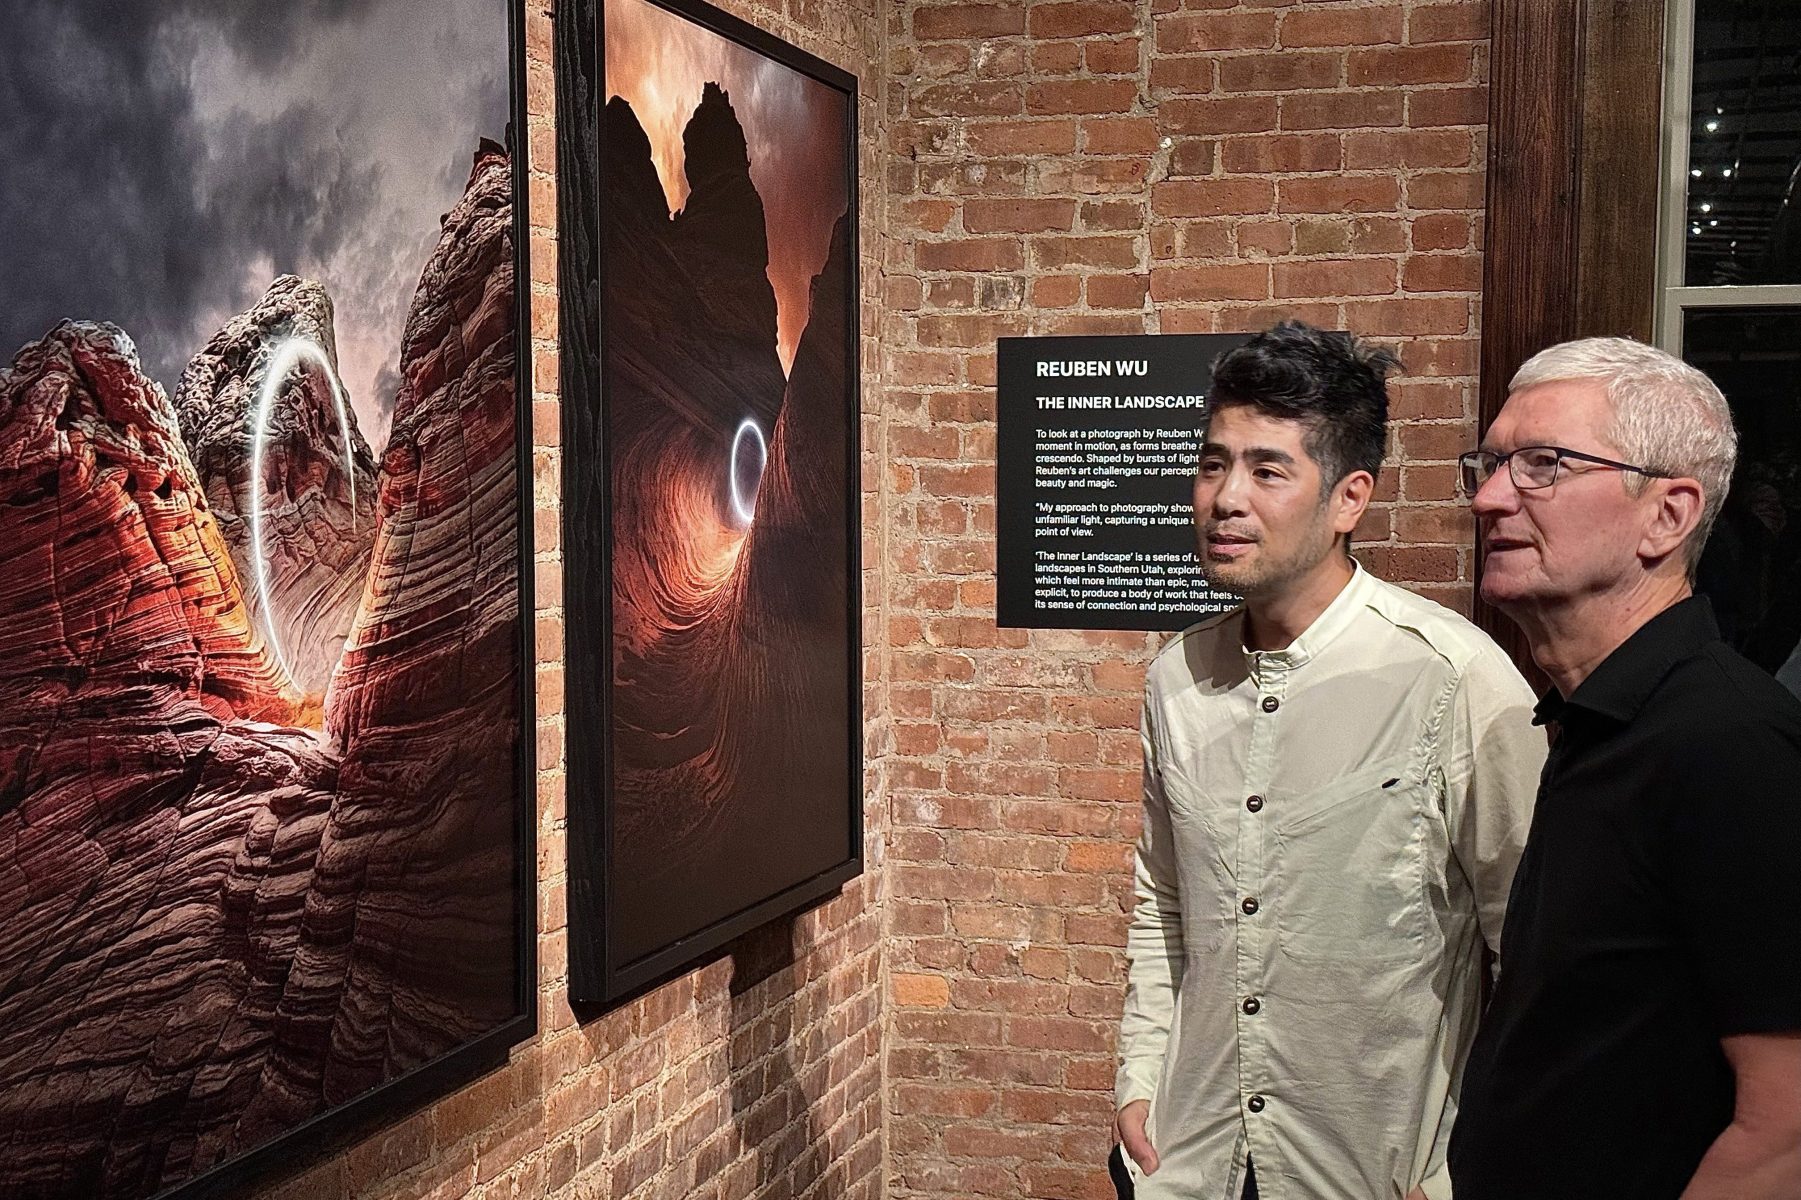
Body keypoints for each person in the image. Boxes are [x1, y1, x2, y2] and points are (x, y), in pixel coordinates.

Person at [1115, 321, 1545, 1200]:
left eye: (1268, 470)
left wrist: (1471, 1164)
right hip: (1187, 1162)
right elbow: (1164, 901)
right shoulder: (1176, 680)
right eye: (1211, 464)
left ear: (1348, 498)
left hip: (1371, 1171)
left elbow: (1531, 958)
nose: (1224, 498)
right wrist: (1139, 1077)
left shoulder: (1453, 680)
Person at [1448, 337, 1801, 1197]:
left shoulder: (1725, 741)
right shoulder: (1598, 717)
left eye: (1543, 465)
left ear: (1668, 515)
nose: (1491, 498)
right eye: (1490, 465)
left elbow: (1786, 1125)